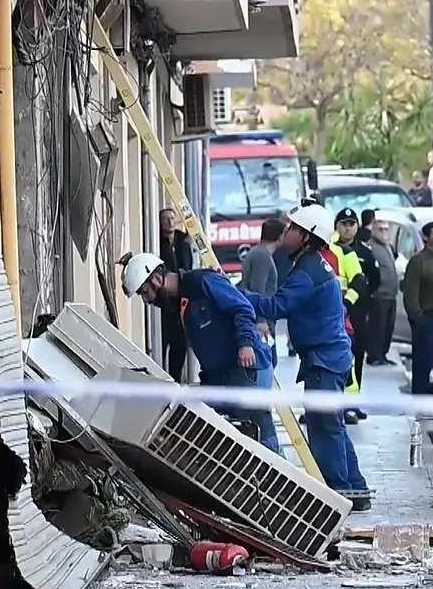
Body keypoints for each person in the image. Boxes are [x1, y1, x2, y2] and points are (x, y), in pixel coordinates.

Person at [242, 200, 371, 511]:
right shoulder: (311, 265)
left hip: (325, 361)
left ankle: (338, 494)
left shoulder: (309, 271)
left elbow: (276, 306)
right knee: (333, 425)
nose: (286, 232)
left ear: (306, 236)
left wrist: (235, 295)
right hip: (329, 357)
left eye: (292, 228)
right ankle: (356, 490)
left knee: (324, 427)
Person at [119, 251, 279, 455]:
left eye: (144, 292)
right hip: (223, 376)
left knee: (259, 433)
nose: (146, 300)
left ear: (157, 279)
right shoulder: (181, 302)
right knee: (231, 438)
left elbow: (242, 308)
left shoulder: (202, 283)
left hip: (246, 369)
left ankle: (278, 477)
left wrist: (245, 344)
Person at [335, 207, 379, 419]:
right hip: (335, 313)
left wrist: (361, 299)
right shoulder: (330, 250)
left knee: (357, 356)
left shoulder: (364, 252)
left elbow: (373, 280)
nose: (347, 228)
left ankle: (353, 402)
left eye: (351, 224)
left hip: (357, 312)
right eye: (343, 224)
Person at [239, 217, 284, 379]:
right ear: (280, 236)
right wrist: (261, 320)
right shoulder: (261, 256)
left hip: (263, 318)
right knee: (268, 362)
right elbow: (257, 289)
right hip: (261, 321)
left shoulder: (260, 254)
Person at [403, 222, 433, 395]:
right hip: (426, 318)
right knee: (423, 361)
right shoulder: (418, 261)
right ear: (426, 237)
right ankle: (419, 396)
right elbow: (410, 292)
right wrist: (417, 318)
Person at [158, 208, 194, 382]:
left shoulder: (183, 242)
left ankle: (176, 379)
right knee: (162, 342)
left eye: (172, 218)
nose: (170, 222)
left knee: (180, 345)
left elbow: (188, 268)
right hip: (164, 304)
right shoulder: (156, 242)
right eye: (166, 219)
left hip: (181, 301)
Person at [366, 218, 399, 367]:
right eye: (380, 229)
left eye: (386, 229)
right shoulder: (370, 247)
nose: (384, 232)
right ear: (373, 230)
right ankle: (374, 355)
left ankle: (382, 355)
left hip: (391, 294)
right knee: (377, 328)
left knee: (388, 327)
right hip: (379, 295)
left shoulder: (388, 247)